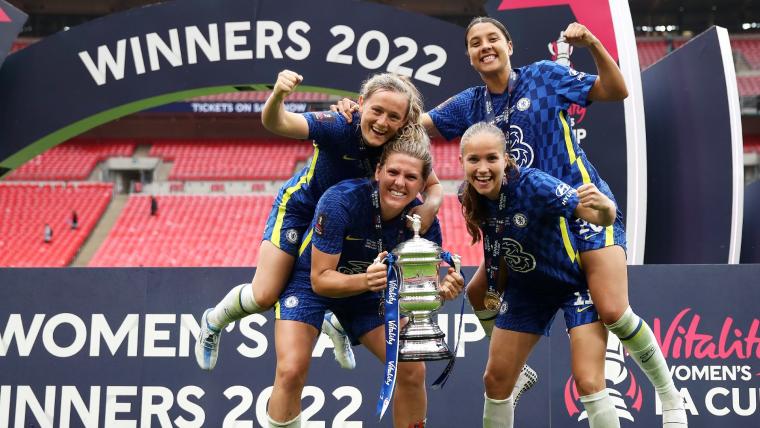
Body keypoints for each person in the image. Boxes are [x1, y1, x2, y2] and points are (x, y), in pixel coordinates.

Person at [332, 17, 685, 425]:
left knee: (611, 310)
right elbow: (409, 127)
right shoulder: (470, 104)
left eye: (492, 38)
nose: (484, 46)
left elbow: (616, 90)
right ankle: (516, 376)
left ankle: (667, 393)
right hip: (527, 229)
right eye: (475, 42)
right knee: (480, 292)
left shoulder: (545, 77)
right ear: (468, 54)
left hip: (580, 211)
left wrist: (591, 43)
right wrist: (356, 114)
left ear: (509, 45)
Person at [195, 70, 443, 373]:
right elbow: (278, 122)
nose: (382, 122)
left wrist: (431, 206)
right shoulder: (339, 125)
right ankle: (214, 320)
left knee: (352, 282)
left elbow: (433, 185)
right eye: (376, 110)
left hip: (348, 220)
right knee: (264, 295)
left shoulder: (399, 143)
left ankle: (336, 322)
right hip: (302, 211)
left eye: (393, 116)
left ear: (403, 121)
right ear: (361, 102)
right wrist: (279, 96)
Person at [269, 131, 463, 428]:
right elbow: (321, 280)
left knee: (412, 369)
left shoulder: (422, 223)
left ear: (423, 184)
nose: (399, 182)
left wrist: (442, 289)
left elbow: (418, 290)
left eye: (411, 177)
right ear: (378, 171)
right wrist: (365, 281)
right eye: (393, 172)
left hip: (369, 295)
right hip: (311, 286)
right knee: (291, 370)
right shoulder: (341, 201)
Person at [460, 123, 620, 427]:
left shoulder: (534, 185)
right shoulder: (469, 196)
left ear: (506, 159)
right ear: (461, 162)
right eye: (474, 160)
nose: (482, 169)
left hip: (574, 285)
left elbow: (597, 216)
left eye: (491, 158)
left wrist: (607, 209)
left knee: (588, 381)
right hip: (528, 289)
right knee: (495, 380)